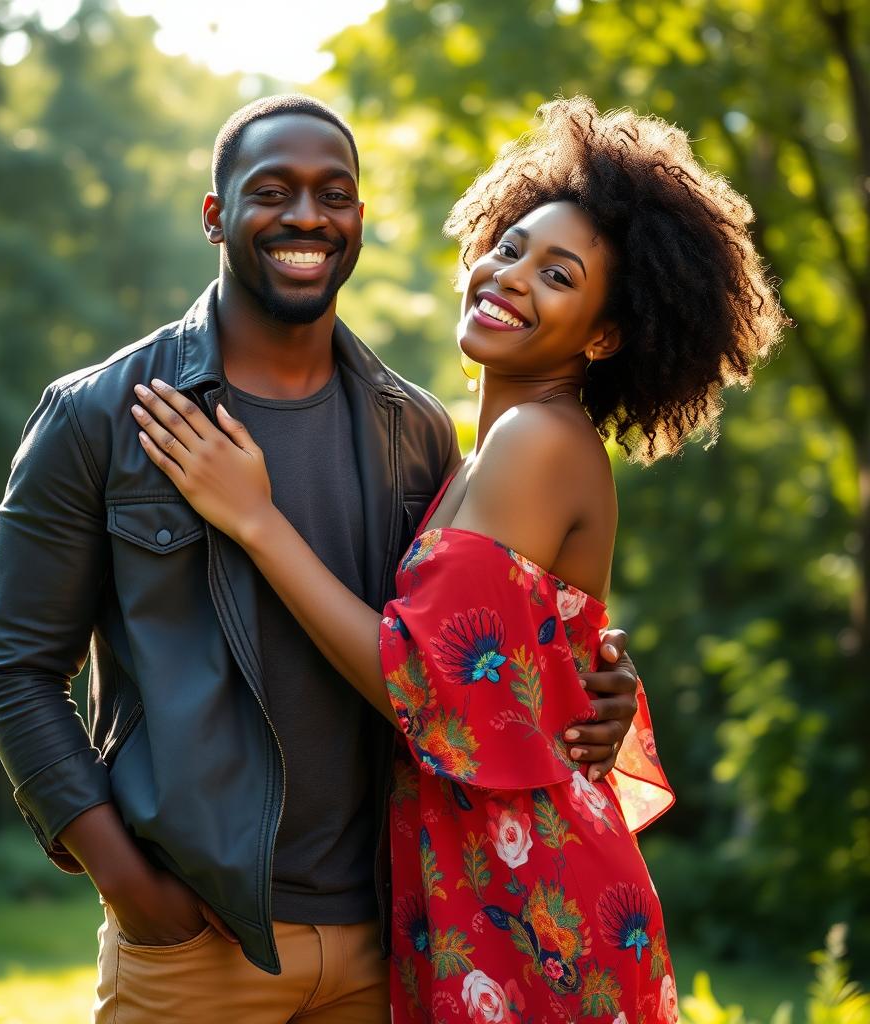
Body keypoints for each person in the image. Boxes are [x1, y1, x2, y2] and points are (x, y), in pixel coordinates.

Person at [0, 94, 642, 1024]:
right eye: (271, 190)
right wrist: (135, 892)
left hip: (394, 938)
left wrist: (599, 684)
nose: (305, 216)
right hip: (197, 944)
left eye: (335, 193)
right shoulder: (101, 417)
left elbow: (458, 656)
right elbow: (14, 672)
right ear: (214, 214)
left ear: (359, 220)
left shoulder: (417, 434)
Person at [132, 96, 787, 1020]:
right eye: (510, 246)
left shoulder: (537, 441)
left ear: (603, 335)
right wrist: (605, 682)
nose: (511, 276)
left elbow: (421, 684)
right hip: (486, 892)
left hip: (534, 907)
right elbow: (544, 660)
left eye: (558, 275)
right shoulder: (480, 448)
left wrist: (255, 519)